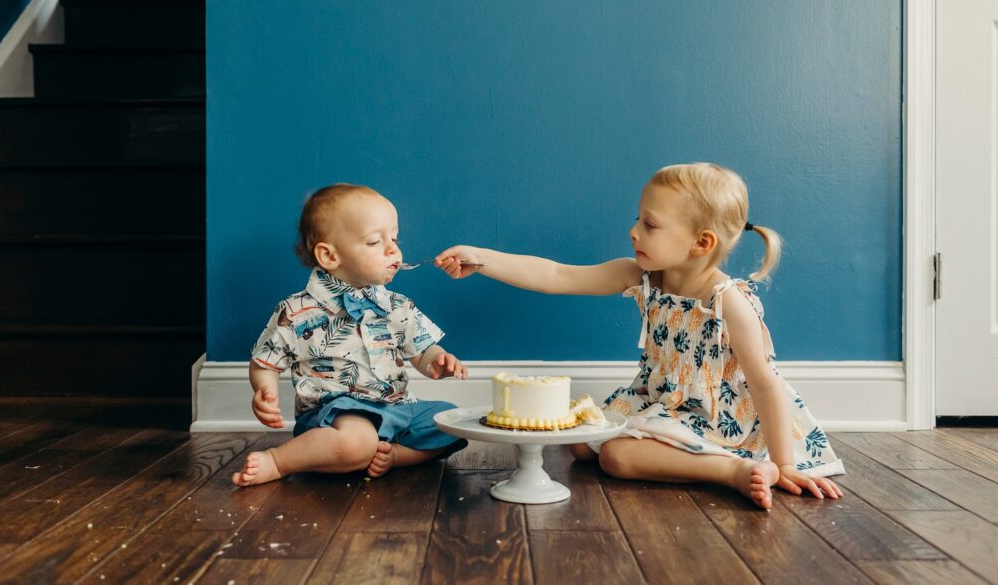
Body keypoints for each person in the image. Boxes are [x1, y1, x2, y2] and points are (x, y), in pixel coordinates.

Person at [436, 163, 843, 509]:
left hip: (720, 419)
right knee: (580, 444)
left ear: (701, 243)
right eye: (638, 219)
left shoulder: (727, 301)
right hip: (663, 400)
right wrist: (483, 259)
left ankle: (733, 470)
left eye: (649, 225)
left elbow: (765, 384)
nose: (634, 232)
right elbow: (557, 275)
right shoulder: (642, 277)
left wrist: (786, 465)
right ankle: (680, 453)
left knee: (616, 455)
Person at [232, 184, 468, 487]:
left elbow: (422, 352)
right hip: (337, 415)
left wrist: (438, 360)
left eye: (394, 238)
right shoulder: (296, 311)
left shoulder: (396, 306)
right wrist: (264, 390)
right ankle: (279, 461)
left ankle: (394, 455)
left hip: (398, 408)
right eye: (374, 241)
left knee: (456, 422)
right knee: (357, 441)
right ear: (330, 255)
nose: (393, 249)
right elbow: (265, 362)